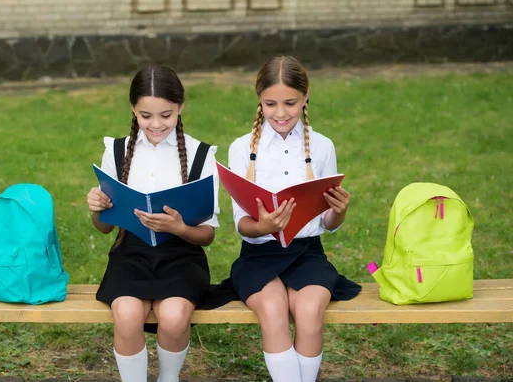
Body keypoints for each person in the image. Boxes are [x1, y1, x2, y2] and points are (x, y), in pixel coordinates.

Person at [227, 56, 361, 382]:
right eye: (270, 103)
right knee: (272, 310)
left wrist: (338, 212)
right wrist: (263, 227)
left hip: (307, 253)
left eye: (290, 103)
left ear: (306, 97)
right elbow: (241, 224)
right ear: (259, 99)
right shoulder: (242, 148)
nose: (281, 112)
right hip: (259, 255)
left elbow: (328, 223)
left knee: (310, 311)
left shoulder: (322, 146)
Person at [86, 66, 221, 382]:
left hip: (182, 256)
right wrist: (97, 209)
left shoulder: (202, 156)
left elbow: (207, 235)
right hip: (130, 254)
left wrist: (179, 228)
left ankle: (168, 378)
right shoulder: (118, 151)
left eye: (166, 115)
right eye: (146, 116)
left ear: (180, 107)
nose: (156, 124)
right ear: (133, 109)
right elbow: (105, 227)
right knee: (127, 315)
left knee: (174, 318)